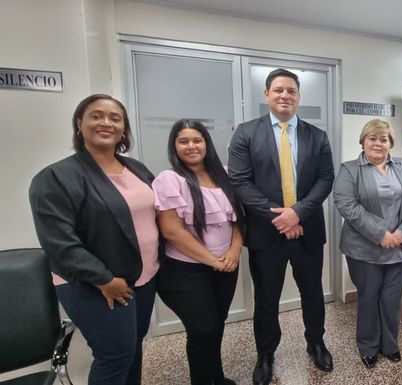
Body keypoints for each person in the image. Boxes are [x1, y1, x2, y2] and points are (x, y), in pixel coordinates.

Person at [29, 94, 160, 385]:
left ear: (124, 128)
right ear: (80, 123)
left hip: (143, 278)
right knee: (114, 356)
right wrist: (104, 280)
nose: (106, 123)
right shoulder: (56, 177)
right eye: (97, 116)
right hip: (96, 284)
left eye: (115, 118)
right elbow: (59, 243)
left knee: (131, 348)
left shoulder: (136, 169)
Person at [228, 68, 336, 384]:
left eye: (291, 90)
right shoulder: (246, 133)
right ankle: (265, 354)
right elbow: (240, 181)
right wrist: (282, 217)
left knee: (313, 293)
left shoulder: (317, 136)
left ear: (298, 96)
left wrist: (298, 213)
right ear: (267, 94)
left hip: (307, 231)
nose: (285, 95)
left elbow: (325, 179)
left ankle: (316, 342)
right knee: (266, 299)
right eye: (278, 90)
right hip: (266, 234)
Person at [153, 120, 245, 385]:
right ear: (174, 146)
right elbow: (172, 231)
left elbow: (239, 219)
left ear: (207, 143)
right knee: (202, 329)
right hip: (185, 270)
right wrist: (213, 260)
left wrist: (235, 250)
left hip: (226, 265)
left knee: (216, 324)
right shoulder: (170, 179)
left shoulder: (225, 175)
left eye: (197, 140)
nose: (191, 146)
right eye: (183, 141)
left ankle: (217, 377)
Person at [332, 119, 402, 369]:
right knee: (369, 297)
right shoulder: (350, 169)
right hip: (365, 249)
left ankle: (390, 345)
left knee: (392, 299)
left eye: (384, 139)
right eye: (372, 138)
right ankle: (368, 346)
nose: (378, 143)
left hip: (400, 247)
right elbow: (346, 205)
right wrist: (381, 234)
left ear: (390, 143)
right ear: (363, 141)